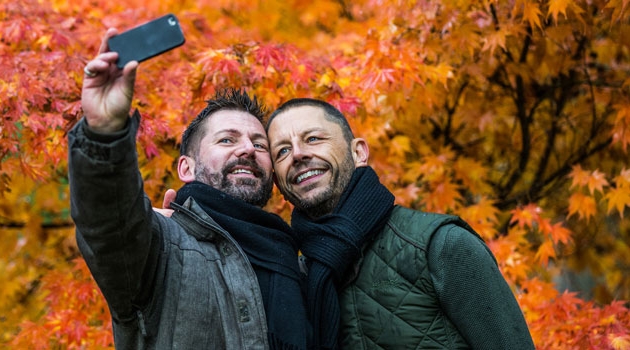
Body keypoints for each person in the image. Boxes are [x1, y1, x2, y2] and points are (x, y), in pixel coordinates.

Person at [67, 28, 310, 349]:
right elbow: (108, 219)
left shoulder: (302, 265)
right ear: (186, 168)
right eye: (227, 139)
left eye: (259, 143)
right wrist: (104, 132)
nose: (248, 149)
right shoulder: (159, 247)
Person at [266, 98, 536, 349]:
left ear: (358, 152)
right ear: (277, 182)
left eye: (313, 138)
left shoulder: (441, 246)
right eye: (282, 151)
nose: (298, 155)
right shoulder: (297, 277)